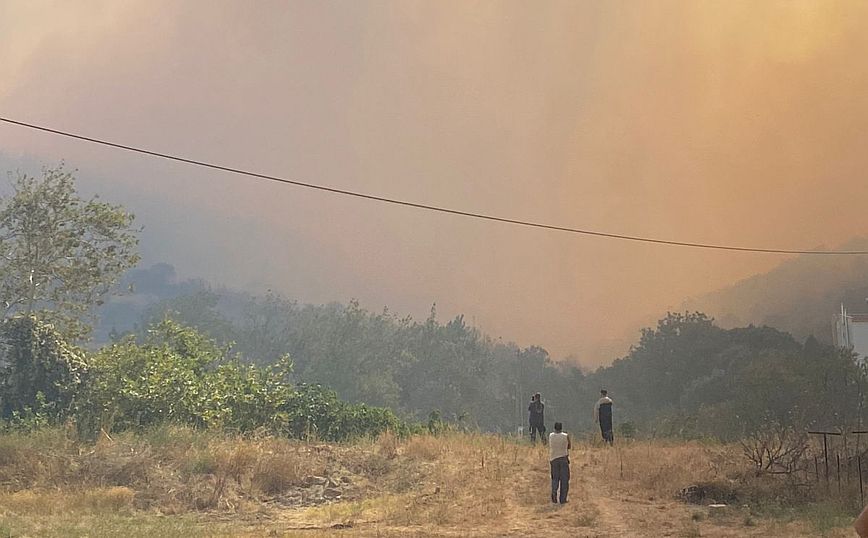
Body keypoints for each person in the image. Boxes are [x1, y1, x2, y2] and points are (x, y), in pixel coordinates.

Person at [548, 422, 571, 504]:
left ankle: (554, 493)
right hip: (563, 459)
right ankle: (563, 499)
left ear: (554, 428)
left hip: (553, 459)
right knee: (564, 480)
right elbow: (569, 446)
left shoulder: (551, 436)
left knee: (555, 479)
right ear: (561, 428)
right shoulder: (565, 436)